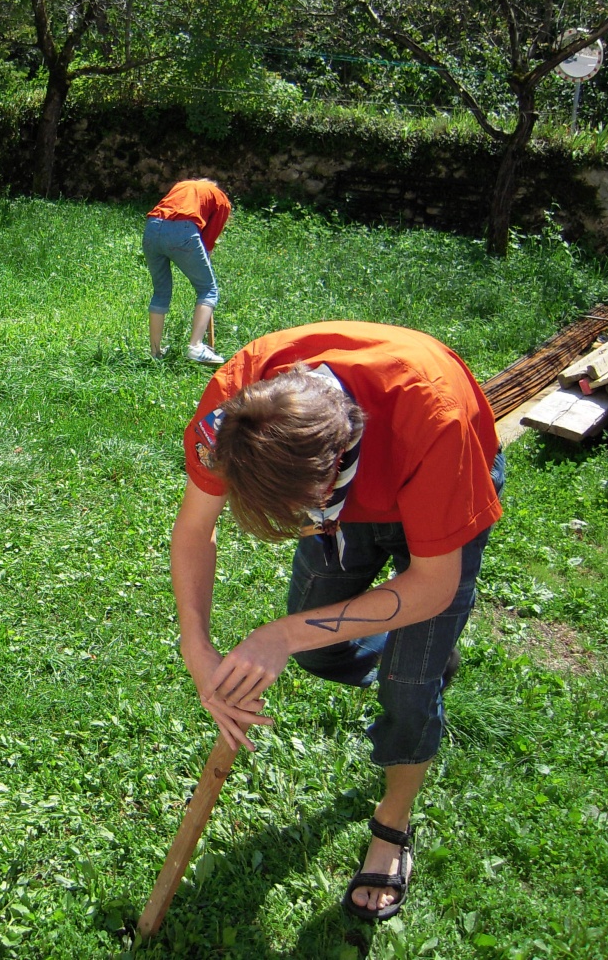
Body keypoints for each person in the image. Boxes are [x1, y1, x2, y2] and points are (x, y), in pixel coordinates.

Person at [170, 321, 503, 922]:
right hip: (342, 498)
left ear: (334, 468)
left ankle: (392, 822)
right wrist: (199, 651)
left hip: (435, 482)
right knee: (322, 650)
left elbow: (433, 584)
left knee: (407, 687)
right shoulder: (233, 411)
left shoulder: (431, 419)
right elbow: (195, 530)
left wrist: (283, 634)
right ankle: (422, 654)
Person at [142, 178, 232, 364]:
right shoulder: (221, 199)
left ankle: (155, 352)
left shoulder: (182, 185)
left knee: (161, 292)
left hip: (151, 227)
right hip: (182, 231)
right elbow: (207, 244)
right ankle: (196, 347)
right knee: (208, 289)